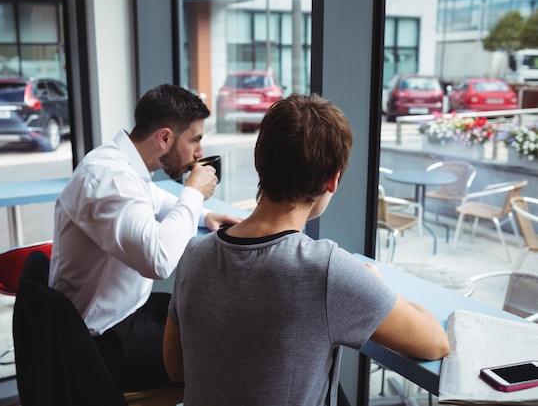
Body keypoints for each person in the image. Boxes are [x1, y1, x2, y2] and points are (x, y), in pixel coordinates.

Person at [163, 93, 450, 406]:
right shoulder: (325, 270)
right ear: (333, 180)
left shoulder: (194, 254)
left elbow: (176, 368)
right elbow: (434, 342)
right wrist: (373, 285)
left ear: (258, 161)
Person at [48, 84, 243, 392]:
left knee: (210, 315)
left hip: (126, 311)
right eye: (195, 139)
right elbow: (159, 261)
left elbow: (154, 199)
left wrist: (204, 215)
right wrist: (193, 194)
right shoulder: (109, 179)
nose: (199, 153)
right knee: (226, 357)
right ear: (164, 138)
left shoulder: (120, 164)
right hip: (100, 342)